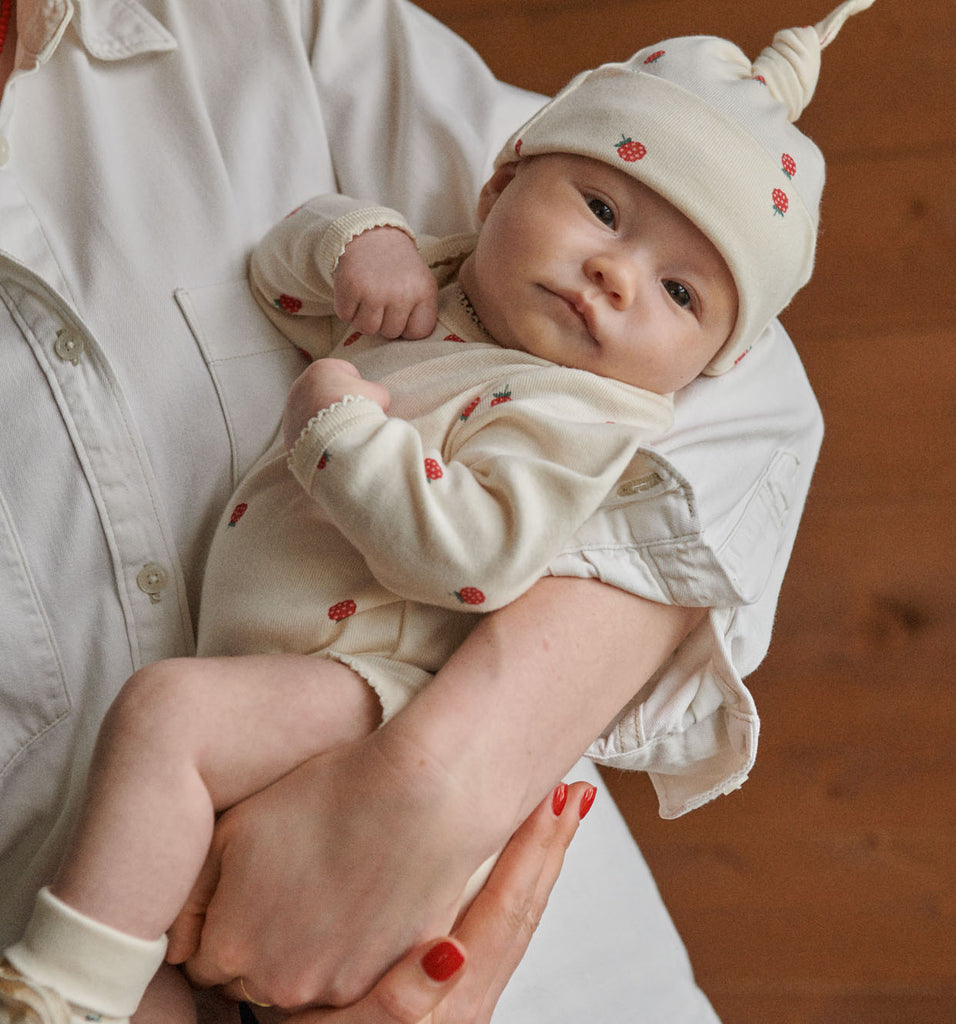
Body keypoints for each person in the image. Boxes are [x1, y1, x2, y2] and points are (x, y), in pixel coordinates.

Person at [0, 0, 856, 1021]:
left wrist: (434, 784)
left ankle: (53, 992)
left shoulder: (583, 418)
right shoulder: (451, 289)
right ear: (499, 182)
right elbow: (284, 276)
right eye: (603, 210)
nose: (614, 275)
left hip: (376, 696)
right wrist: (360, 235)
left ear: (706, 361)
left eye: (680, 293)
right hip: (190, 854)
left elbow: (482, 552)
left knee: (166, 715)